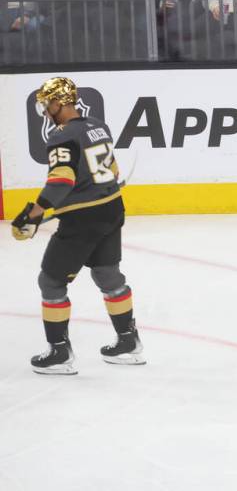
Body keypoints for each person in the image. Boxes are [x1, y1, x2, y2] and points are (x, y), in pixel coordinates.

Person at [10, 76, 145, 374]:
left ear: (60, 102)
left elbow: (62, 181)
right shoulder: (98, 125)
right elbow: (112, 171)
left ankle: (59, 354)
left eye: (48, 105)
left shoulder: (61, 136)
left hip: (84, 220)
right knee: (107, 274)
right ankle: (128, 342)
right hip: (112, 209)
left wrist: (36, 211)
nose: (46, 111)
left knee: (51, 281)